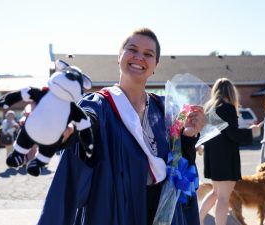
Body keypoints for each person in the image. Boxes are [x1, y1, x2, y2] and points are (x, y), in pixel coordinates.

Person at [37, 28, 205, 225]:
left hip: (162, 214)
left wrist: (188, 138)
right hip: (115, 214)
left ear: (155, 65)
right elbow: (87, 124)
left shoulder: (164, 110)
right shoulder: (98, 105)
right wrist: (73, 132)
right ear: (119, 56)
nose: (139, 57)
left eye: (148, 54)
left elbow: (179, 169)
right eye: (132, 49)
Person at [199, 78, 261, 225]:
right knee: (223, 198)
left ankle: (198, 220)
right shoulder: (227, 108)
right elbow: (233, 134)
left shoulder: (210, 107)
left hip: (213, 157)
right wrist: (251, 132)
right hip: (225, 158)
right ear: (230, 91)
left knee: (216, 193)